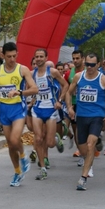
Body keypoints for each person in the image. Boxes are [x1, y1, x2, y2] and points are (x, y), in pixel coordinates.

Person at [0, 42, 38, 187]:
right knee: (11, 145)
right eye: (8, 56)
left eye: (14, 56)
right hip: (4, 109)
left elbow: (34, 89)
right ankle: (17, 172)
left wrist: (20, 92)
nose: (12, 59)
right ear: (2, 56)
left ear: (17, 54)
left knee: (14, 139)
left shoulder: (22, 70)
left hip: (18, 108)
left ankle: (24, 157)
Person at [66, 53, 105, 190]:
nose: (89, 67)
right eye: (87, 64)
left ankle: (83, 177)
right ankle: (90, 158)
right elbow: (69, 92)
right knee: (83, 149)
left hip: (97, 117)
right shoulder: (78, 77)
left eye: (92, 65)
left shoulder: (104, 80)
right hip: (81, 116)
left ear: (98, 65)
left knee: (90, 144)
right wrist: (69, 107)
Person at [31, 49, 69, 180]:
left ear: (46, 57)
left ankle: (56, 139)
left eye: (41, 56)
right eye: (37, 57)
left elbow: (65, 85)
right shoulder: (32, 74)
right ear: (34, 59)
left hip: (51, 109)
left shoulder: (52, 72)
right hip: (37, 109)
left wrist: (60, 100)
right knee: (38, 138)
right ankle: (42, 169)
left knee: (50, 143)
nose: (39, 59)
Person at [64, 50, 84, 162]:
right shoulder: (69, 73)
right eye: (74, 58)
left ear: (83, 59)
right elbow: (66, 90)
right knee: (77, 130)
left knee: (83, 130)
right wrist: (68, 106)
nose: (75, 61)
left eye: (77, 58)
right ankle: (81, 152)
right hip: (74, 104)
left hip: (86, 105)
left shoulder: (88, 71)